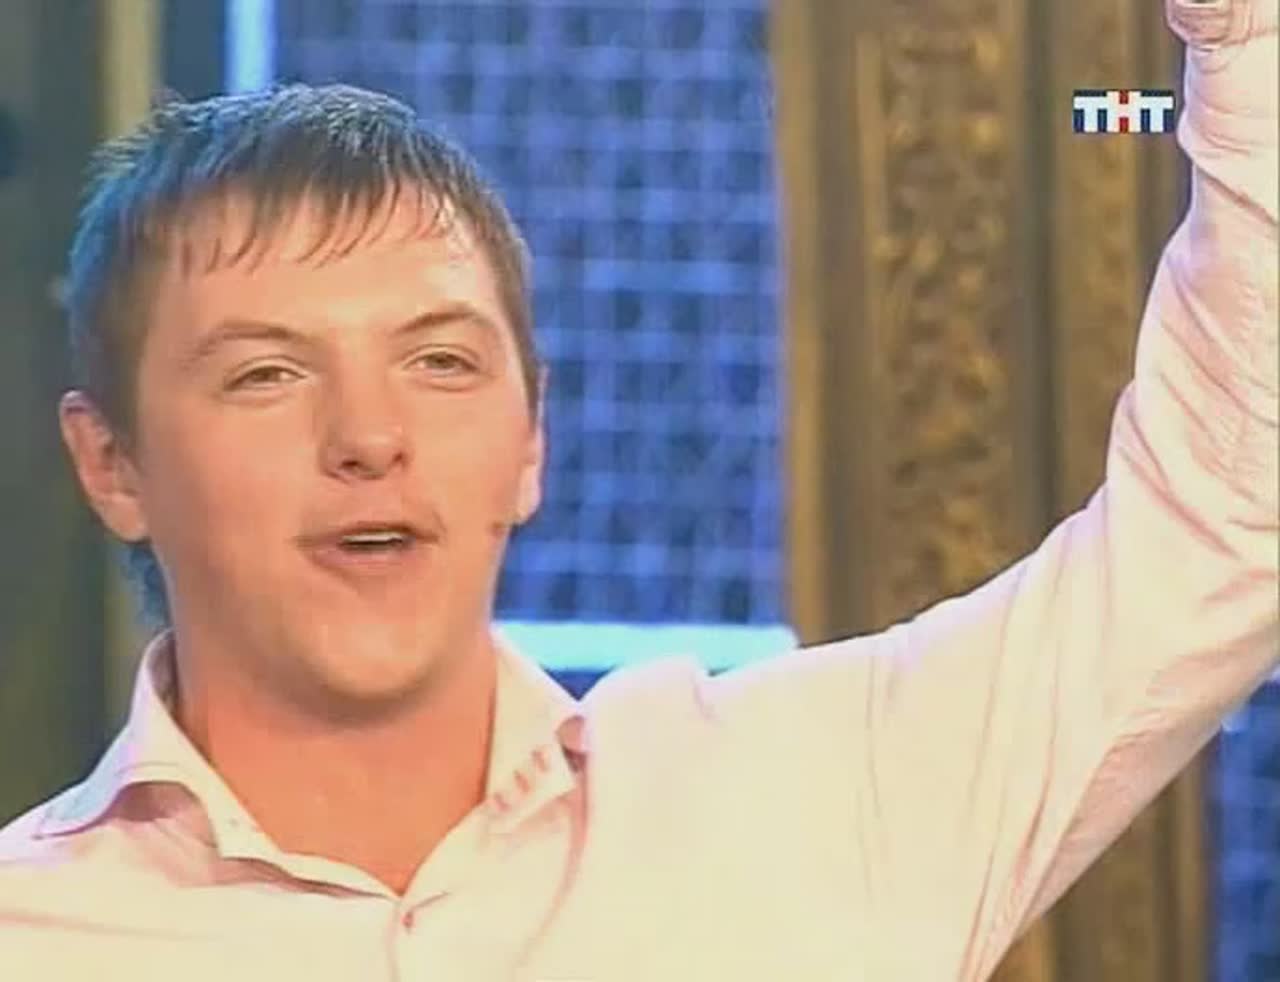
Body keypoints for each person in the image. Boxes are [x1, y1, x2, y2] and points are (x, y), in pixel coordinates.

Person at [1, 1, 1275, 978]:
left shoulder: (821, 795)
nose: (370, 437)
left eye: (440, 362)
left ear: (530, 440)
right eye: (267, 374)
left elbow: (1220, 525)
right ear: (112, 463)